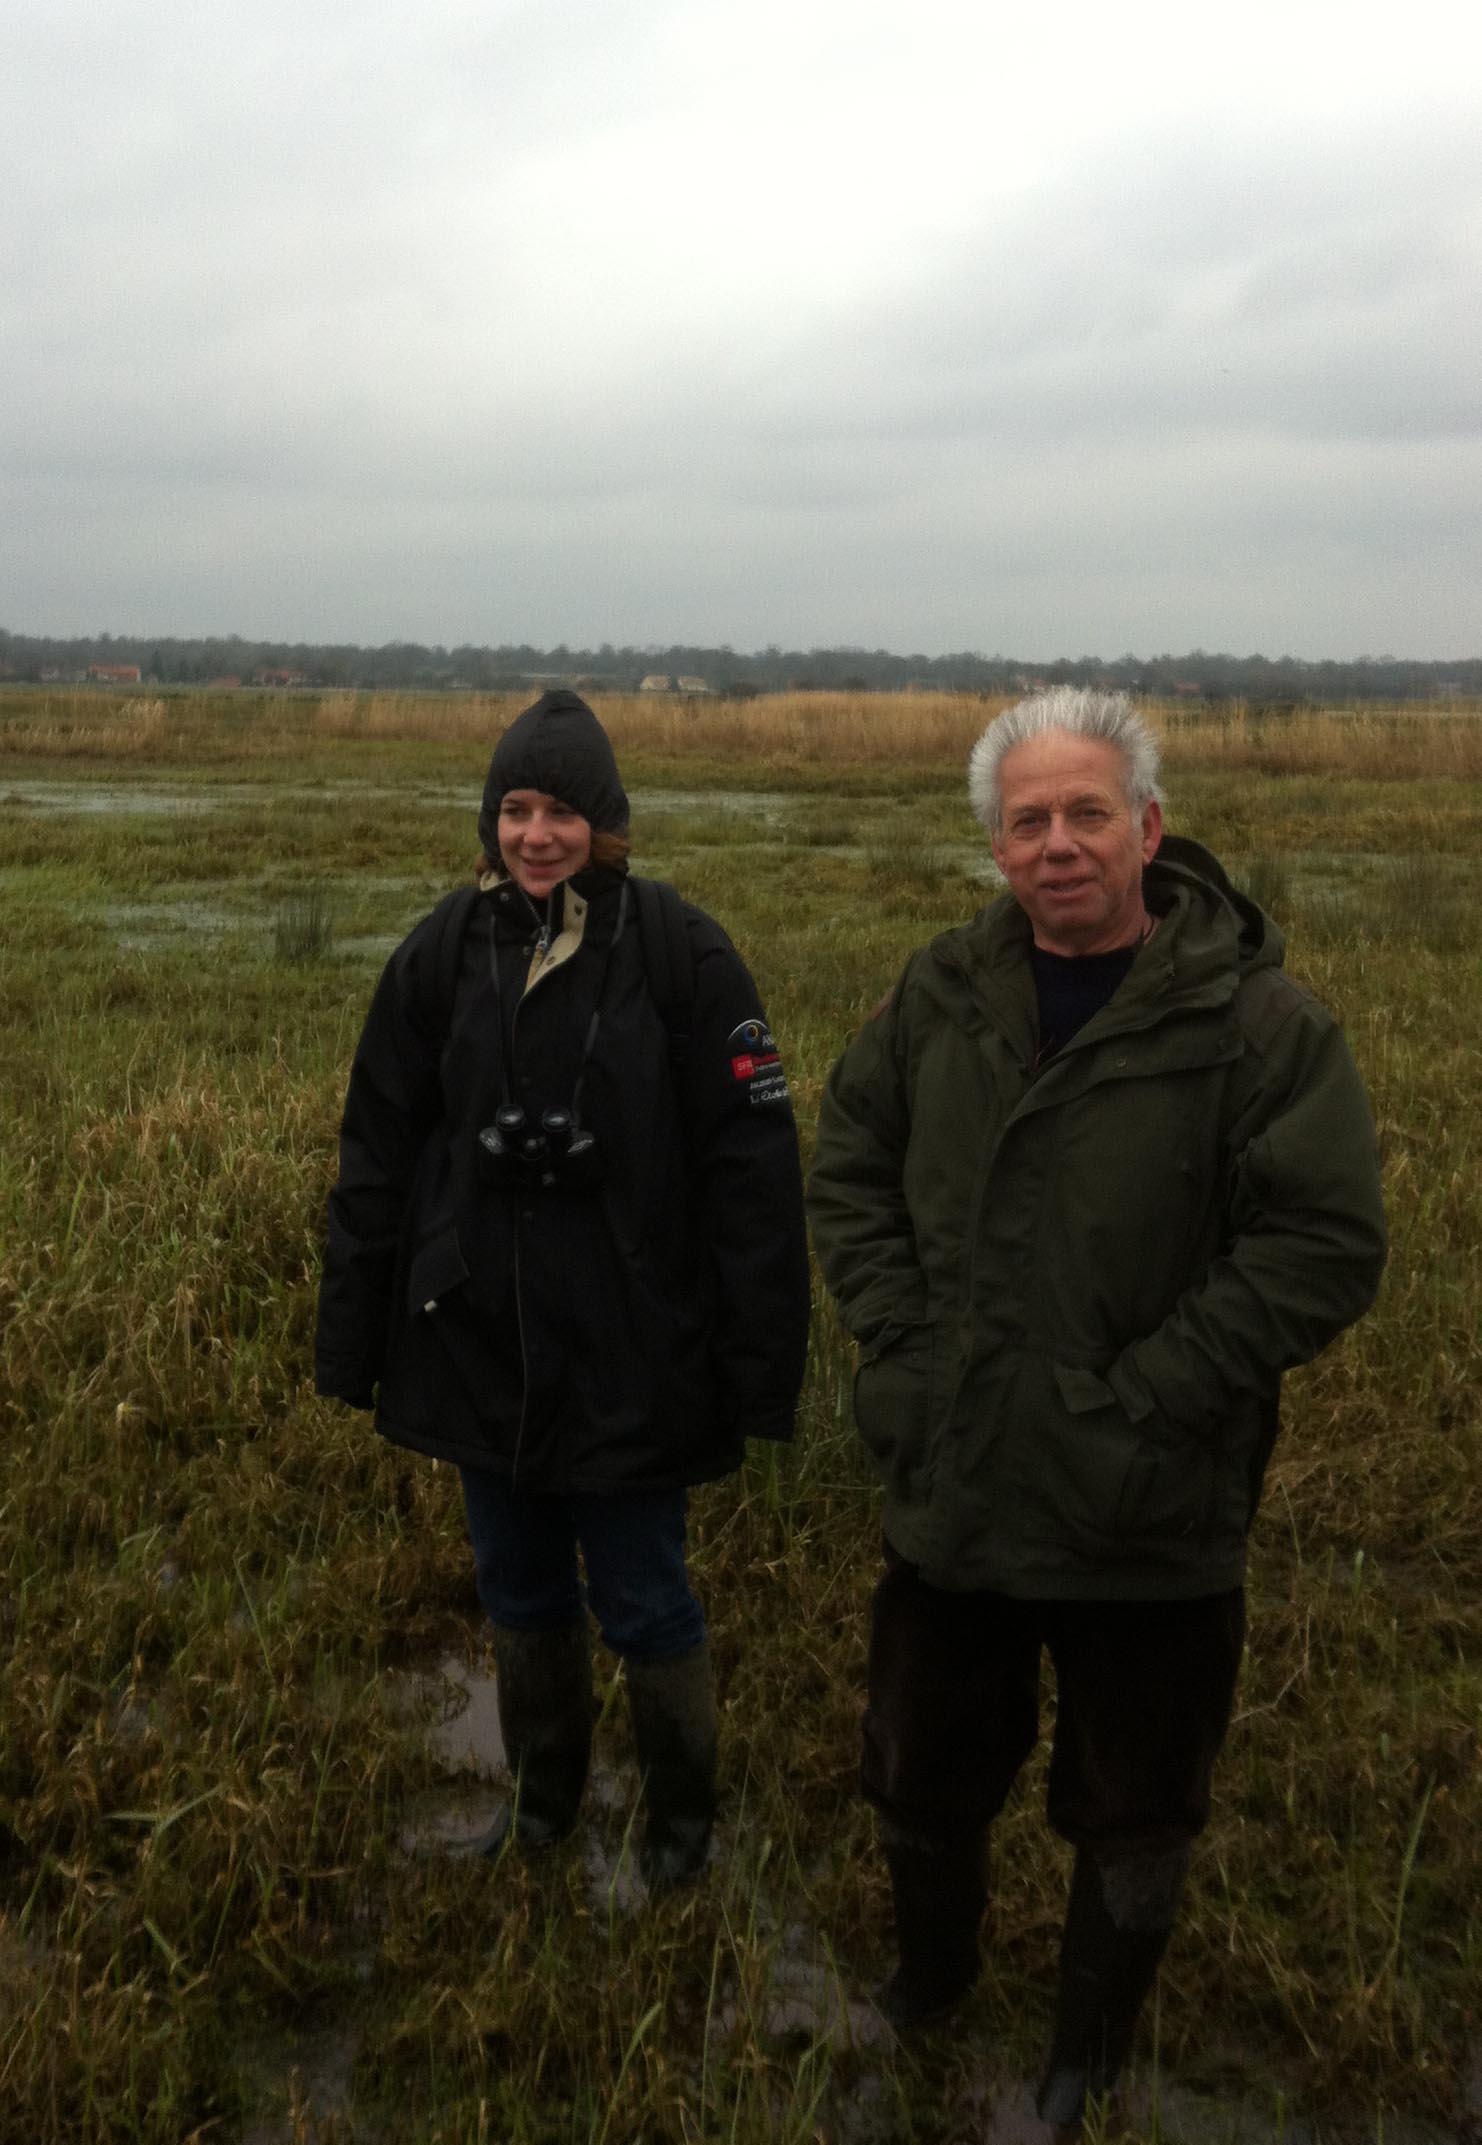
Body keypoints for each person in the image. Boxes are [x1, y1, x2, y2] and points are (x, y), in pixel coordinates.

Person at [807, 687, 1385, 2120]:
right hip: (959, 1482)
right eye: (1025, 822)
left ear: (1147, 826)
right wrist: (900, 1343)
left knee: (1136, 1803)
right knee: (922, 1772)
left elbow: (1321, 1242)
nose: (1056, 844)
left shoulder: (1255, 1022)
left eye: (1083, 813)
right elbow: (849, 1164)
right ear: (994, 851)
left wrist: (1152, 1396)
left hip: (1151, 1503)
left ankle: (1085, 2057)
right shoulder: (937, 992)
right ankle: (927, 1982)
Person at [316, 688, 810, 1889]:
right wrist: (353, 1342)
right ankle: (541, 1813)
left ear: (609, 823)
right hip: (479, 1344)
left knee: (645, 1597)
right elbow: (377, 1150)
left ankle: (679, 1840)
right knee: (519, 1585)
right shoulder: (442, 950)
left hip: (633, 1354)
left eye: (565, 812)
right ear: (491, 819)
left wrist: (761, 1374)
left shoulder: (685, 954)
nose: (538, 836)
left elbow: (755, 1179)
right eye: (517, 810)